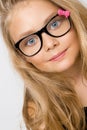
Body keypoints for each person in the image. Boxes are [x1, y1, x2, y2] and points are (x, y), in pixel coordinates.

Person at [0, 0, 87, 130]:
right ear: (22, 56)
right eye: (30, 41)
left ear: (73, 17)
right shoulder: (39, 112)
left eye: (54, 24)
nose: (50, 44)